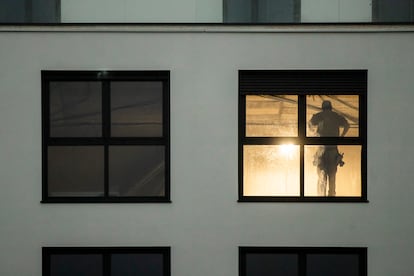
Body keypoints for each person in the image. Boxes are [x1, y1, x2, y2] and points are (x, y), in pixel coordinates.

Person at [309, 100, 349, 196]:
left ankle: (321, 198)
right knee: (332, 178)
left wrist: (314, 132)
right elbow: (347, 125)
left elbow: (310, 123)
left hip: (321, 150)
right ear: (331, 107)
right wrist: (342, 136)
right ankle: (331, 198)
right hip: (332, 150)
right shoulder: (336, 116)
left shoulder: (319, 116)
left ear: (323, 108)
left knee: (321, 177)